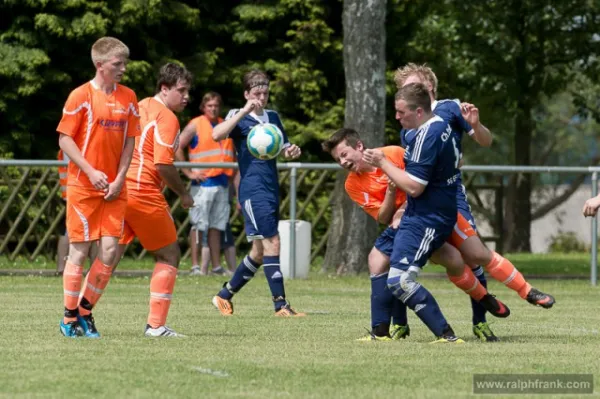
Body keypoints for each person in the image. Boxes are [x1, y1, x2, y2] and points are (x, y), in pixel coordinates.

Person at [394, 64, 555, 322]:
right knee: (453, 259)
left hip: (451, 192)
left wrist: (476, 126)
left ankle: (523, 293)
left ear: (430, 86)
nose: (409, 91)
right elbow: (414, 168)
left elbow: (486, 140)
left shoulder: (450, 108)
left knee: (476, 254)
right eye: (404, 88)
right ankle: (484, 299)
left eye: (414, 85)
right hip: (424, 200)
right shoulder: (408, 125)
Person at [323, 128, 509, 341]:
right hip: (404, 224)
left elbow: (425, 178)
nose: (342, 162)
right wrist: (392, 193)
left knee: (466, 259)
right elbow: (383, 217)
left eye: (344, 154)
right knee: (381, 260)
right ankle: (387, 329)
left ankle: (478, 322)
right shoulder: (352, 184)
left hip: (431, 213)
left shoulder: (393, 153)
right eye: (338, 159)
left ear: (359, 146)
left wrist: (450, 160)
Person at [56, 36, 139, 337]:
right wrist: (91, 172)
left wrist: (119, 178)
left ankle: (85, 311)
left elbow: (130, 141)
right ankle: (68, 319)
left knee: (109, 252)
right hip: (83, 185)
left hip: (115, 187)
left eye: (124, 63)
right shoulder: (80, 96)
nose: (124, 69)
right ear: (100, 65)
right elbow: (64, 139)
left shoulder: (129, 97)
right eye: (119, 64)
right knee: (79, 250)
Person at [210, 70, 304, 316]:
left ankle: (224, 295)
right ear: (246, 94)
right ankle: (280, 305)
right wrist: (244, 110)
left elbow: (282, 147)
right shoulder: (237, 116)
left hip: (272, 186)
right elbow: (216, 135)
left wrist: (290, 151)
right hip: (253, 189)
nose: (262, 98)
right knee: (273, 241)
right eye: (256, 93)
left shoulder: (272, 117)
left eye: (265, 93)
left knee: (259, 252)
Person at [115, 63, 195, 337]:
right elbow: (162, 164)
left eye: (188, 91)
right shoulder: (168, 117)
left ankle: (78, 314)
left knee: (109, 255)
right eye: (181, 90)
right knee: (170, 254)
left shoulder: (141, 104)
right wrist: (184, 194)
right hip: (144, 192)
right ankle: (156, 326)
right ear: (165, 88)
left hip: (122, 189)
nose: (186, 97)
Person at [175, 91, 236, 276]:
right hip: (203, 184)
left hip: (223, 181)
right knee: (198, 225)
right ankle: (195, 266)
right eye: (209, 105)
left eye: (216, 105)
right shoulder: (196, 124)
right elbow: (177, 145)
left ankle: (216, 266)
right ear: (203, 107)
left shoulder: (224, 125)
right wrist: (188, 172)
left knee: (217, 226)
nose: (213, 108)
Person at [56, 150, 97, 275]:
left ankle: (62, 268)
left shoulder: (66, 145)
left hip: (72, 191)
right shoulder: (75, 143)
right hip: (79, 190)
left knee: (69, 231)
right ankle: (91, 270)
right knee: (90, 231)